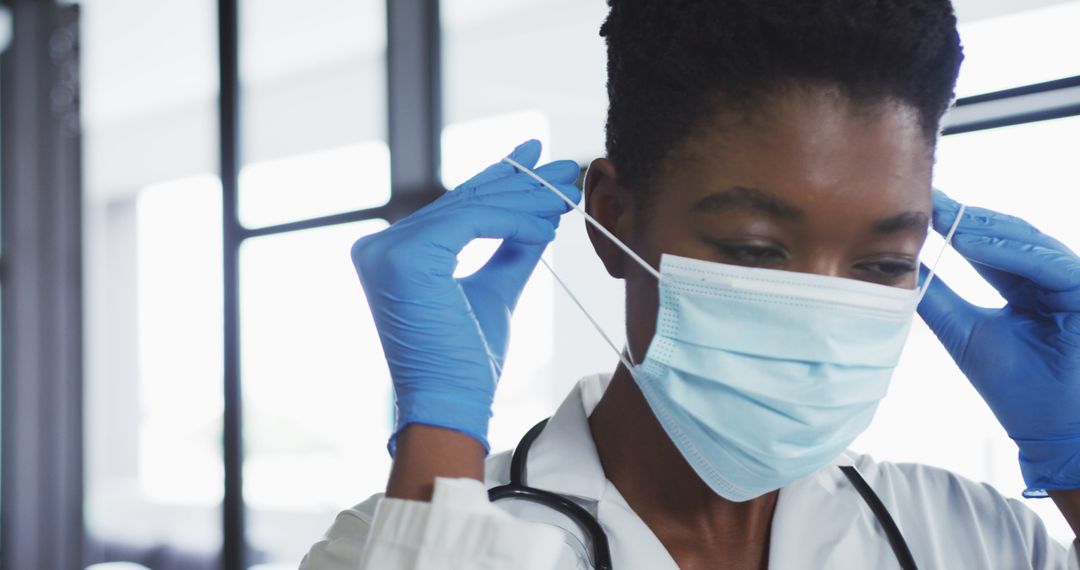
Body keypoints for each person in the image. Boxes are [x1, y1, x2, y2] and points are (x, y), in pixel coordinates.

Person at [301, 0, 1080, 568]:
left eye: (882, 264)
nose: (818, 312)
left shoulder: (975, 537)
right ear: (612, 220)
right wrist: (442, 438)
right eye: (754, 249)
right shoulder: (395, 540)